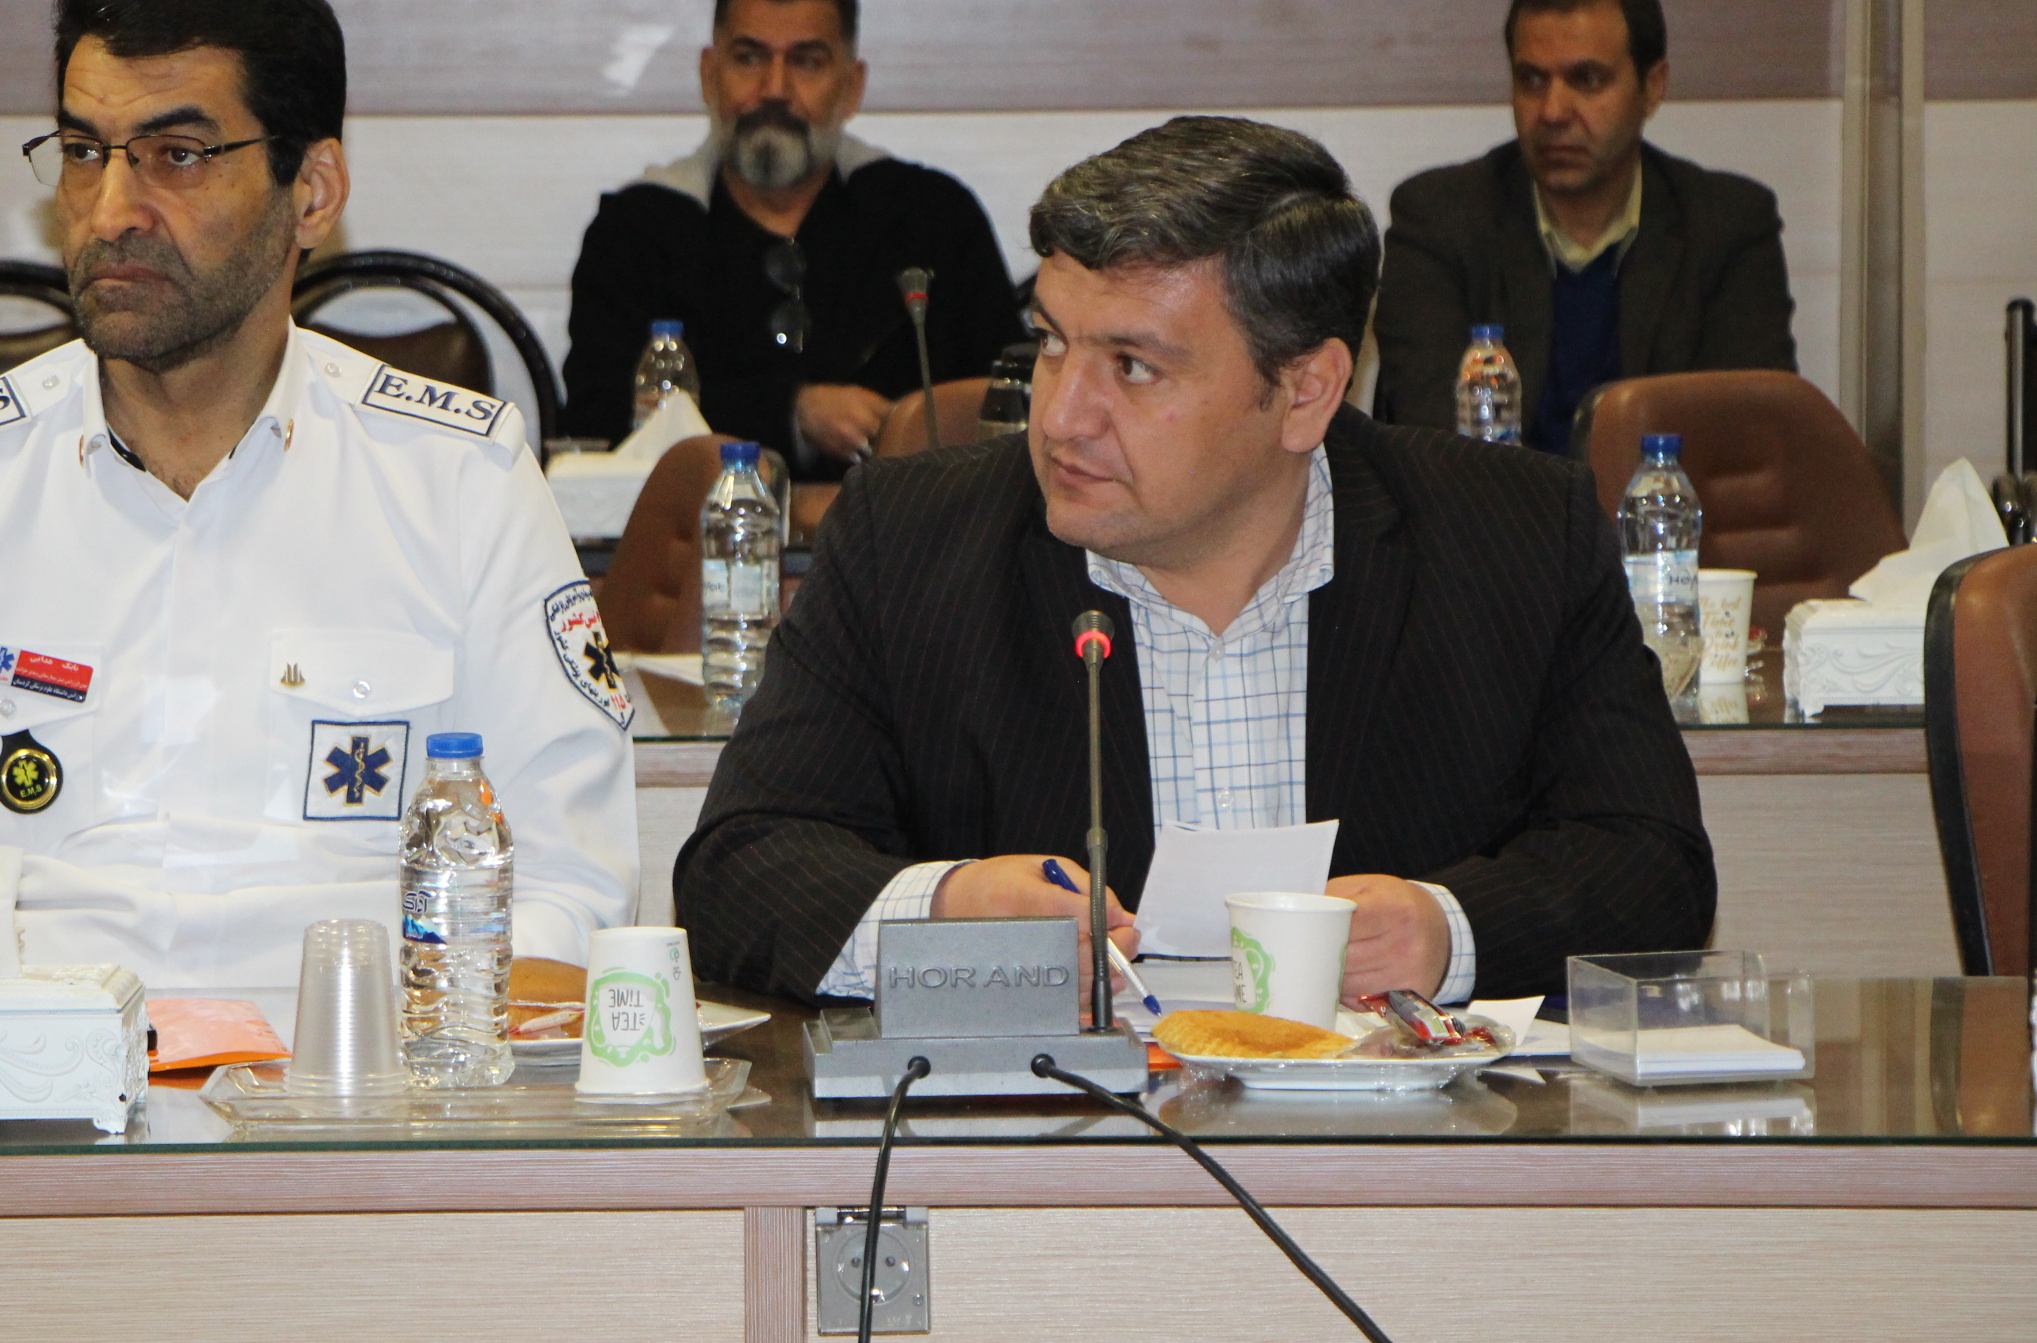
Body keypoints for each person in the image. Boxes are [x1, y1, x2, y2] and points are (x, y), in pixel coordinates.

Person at [675, 116, 1715, 1007]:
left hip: (1401, 1153)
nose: (1061, 416)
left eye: (1132, 367)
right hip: (1058, 1154)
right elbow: (738, 869)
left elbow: (1652, 865)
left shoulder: (1513, 538)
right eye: (1052, 343)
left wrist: (1448, 931)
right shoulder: (909, 543)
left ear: (1304, 392)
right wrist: (947, 910)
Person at [0, 0, 638, 985]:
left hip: (358, 1068)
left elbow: (570, 890)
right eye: (84, 151)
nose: (112, 211)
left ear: (313, 193)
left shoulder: (459, 479)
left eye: (178, 155)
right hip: (32, 1068)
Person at [558, 0, 1023, 478]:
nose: (774, 89)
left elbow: (1011, 406)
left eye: (806, 62)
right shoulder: (638, 232)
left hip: (908, 527)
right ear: (709, 76)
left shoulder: (932, 219)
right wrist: (792, 414)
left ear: (852, 87)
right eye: (749, 58)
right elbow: (598, 421)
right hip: (699, 525)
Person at [1371, 0, 1797, 454]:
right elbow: (1434, 443)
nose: (1553, 111)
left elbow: (1749, 439)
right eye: (1532, 80)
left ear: (1652, 87)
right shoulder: (1438, 223)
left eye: (1587, 80)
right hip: (1493, 505)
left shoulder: (1727, 228)